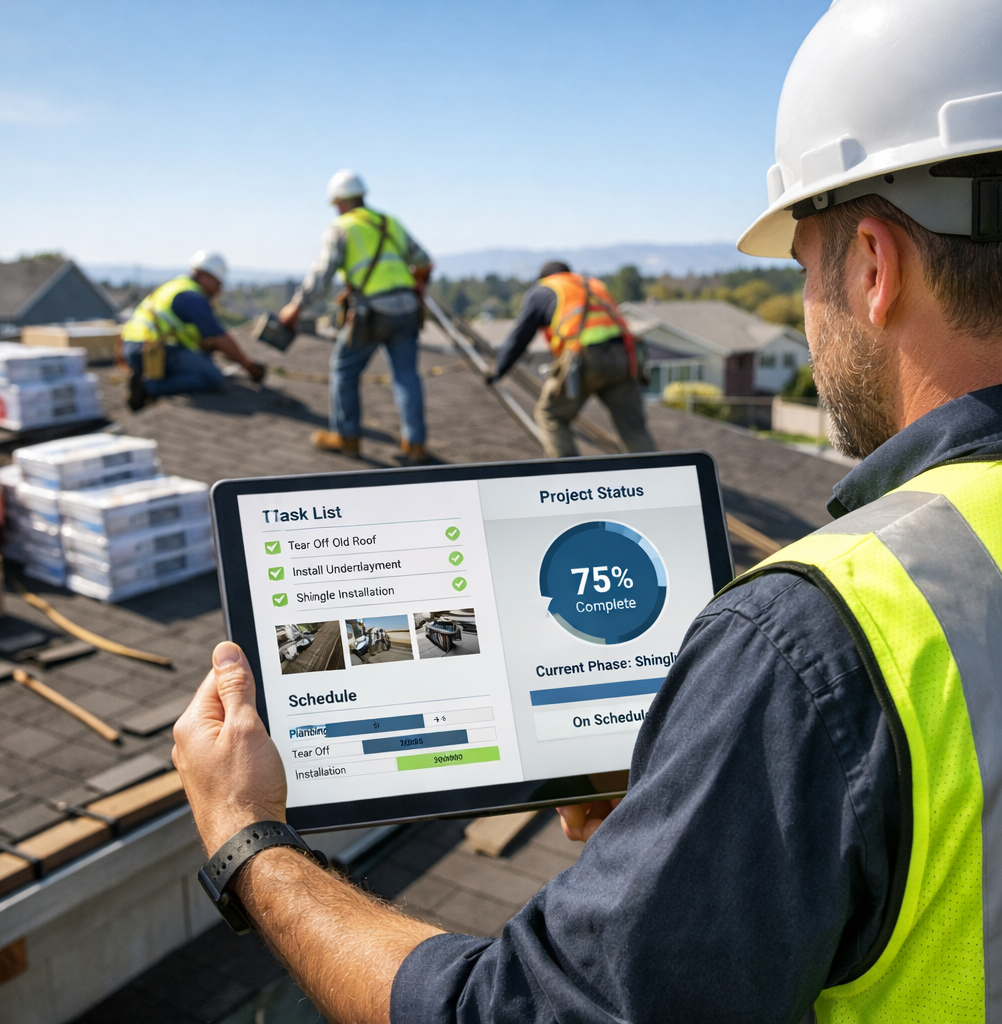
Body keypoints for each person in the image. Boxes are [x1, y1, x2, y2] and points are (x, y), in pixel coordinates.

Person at [173, 0, 1002, 1020]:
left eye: (802, 267)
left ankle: (522, 459)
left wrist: (247, 840)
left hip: (499, 348)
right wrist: (700, 807)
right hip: (609, 358)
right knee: (602, 425)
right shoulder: (420, 236)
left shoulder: (814, 640)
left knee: (473, 402)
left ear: (872, 267)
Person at [278, 170, 434, 464]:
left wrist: (296, 307)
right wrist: (418, 284)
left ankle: (347, 437)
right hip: (408, 309)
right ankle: (415, 444)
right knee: (406, 376)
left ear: (339, 201)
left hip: (371, 311)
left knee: (344, 370)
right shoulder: (390, 223)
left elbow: (321, 276)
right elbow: (423, 262)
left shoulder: (341, 228)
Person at [488, 262, 654, 458]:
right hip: (625, 356)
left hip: (584, 356)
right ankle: (654, 477)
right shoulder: (593, 285)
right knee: (633, 427)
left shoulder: (543, 290)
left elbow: (519, 337)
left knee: (551, 416)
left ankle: (570, 479)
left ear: (544, 277)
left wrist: (498, 371)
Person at [121, 251, 265, 411]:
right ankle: (149, 386)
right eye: (218, 283)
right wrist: (250, 368)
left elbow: (188, 334)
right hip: (151, 349)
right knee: (213, 377)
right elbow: (221, 339)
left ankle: (150, 380)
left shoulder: (177, 285)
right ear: (205, 276)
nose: (220, 289)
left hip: (133, 345)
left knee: (203, 361)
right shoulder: (193, 298)